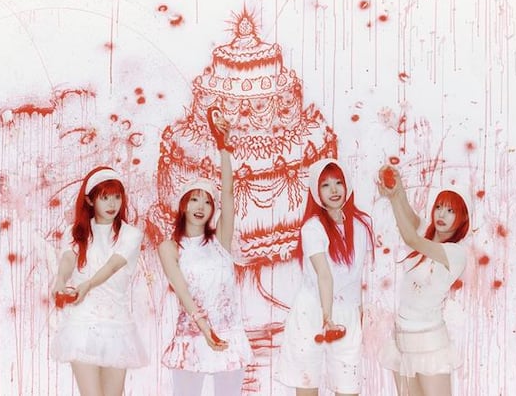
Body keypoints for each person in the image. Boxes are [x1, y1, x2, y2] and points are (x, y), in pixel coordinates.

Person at [158, 108, 253, 396]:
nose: (201, 206)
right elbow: (182, 291)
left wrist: (223, 148)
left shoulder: (220, 242)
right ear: (183, 206)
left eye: (207, 202)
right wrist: (204, 328)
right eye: (194, 200)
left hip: (227, 335)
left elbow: (229, 194)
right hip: (192, 337)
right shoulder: (170, 247)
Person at [276, 158, 374, 396]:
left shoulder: (362, 226)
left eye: (338, 182)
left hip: (347, 315)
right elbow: (324, 275)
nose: (334, 190)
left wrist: (360, 315)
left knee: (348, 387)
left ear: (347, 185)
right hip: (313, 313)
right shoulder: (313, 227)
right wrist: (327, 317)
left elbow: (361, 278)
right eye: (325, 185)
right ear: (316, 191)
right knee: (308, 383)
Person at [51, 166, 147, 396]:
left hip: (117, 324)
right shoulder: (75, 232)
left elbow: (113, 265)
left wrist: (88, 285)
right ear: (90, 200)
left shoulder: (131, 234)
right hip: (83, 322)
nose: (112, 204)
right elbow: (68, 258)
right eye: (104, 198)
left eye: (117, 197)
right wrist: (60, 279)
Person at [376, 165, 471, 396]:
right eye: (439, 207)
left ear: (462, 218)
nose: (441, 215)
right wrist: (396, 192)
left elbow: (411, 239)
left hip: (430, 346)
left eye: (451, 210)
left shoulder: (455, 253)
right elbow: (408, 216)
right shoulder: (425, 232)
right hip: (402, 341)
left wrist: (394, 200)